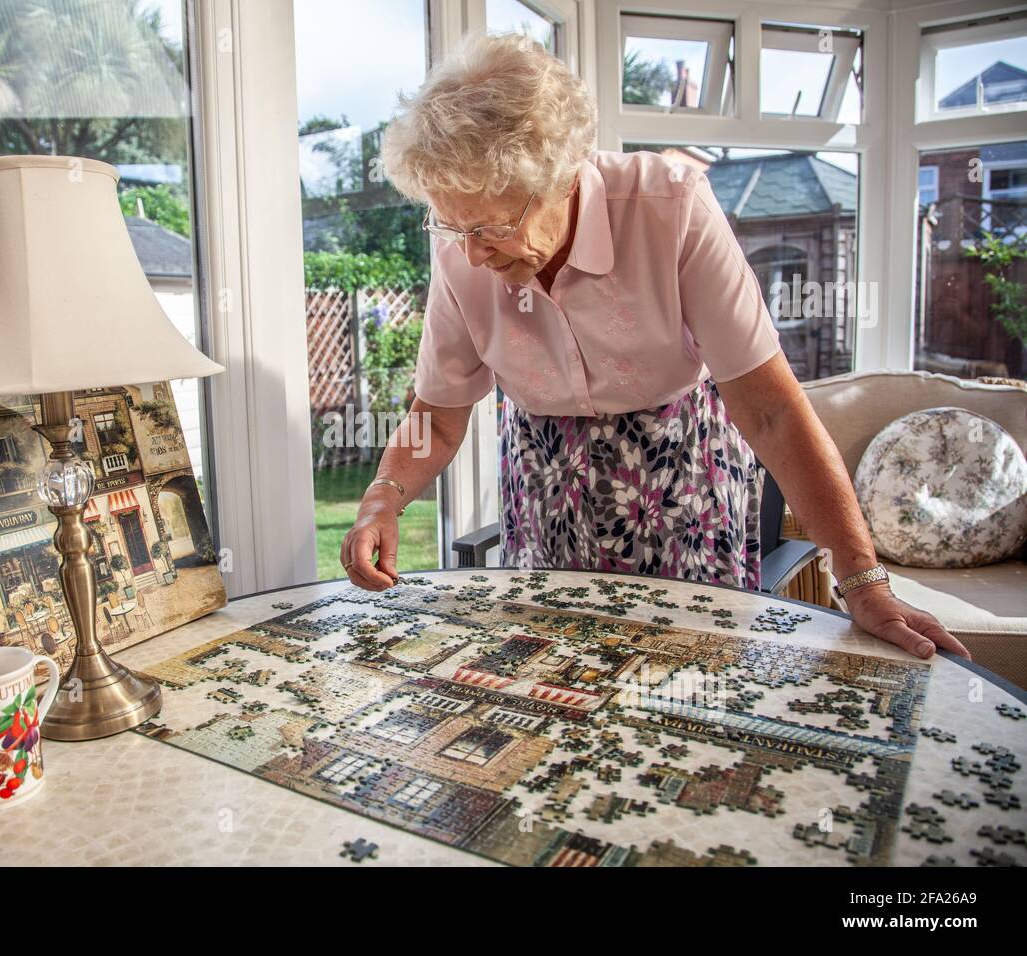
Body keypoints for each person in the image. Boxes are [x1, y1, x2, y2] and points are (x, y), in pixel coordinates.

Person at [339, 34, 968, 662]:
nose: (472, 253)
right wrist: (381, 498)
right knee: (556, 683)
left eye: (491, 227)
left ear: (560, 176)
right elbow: (439, 416)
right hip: (545, 490)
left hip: (679, 481)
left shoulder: (671, 206)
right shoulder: (463, 255)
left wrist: (862, 581)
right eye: (453, 225)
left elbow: (771, 410)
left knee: (691, 685)